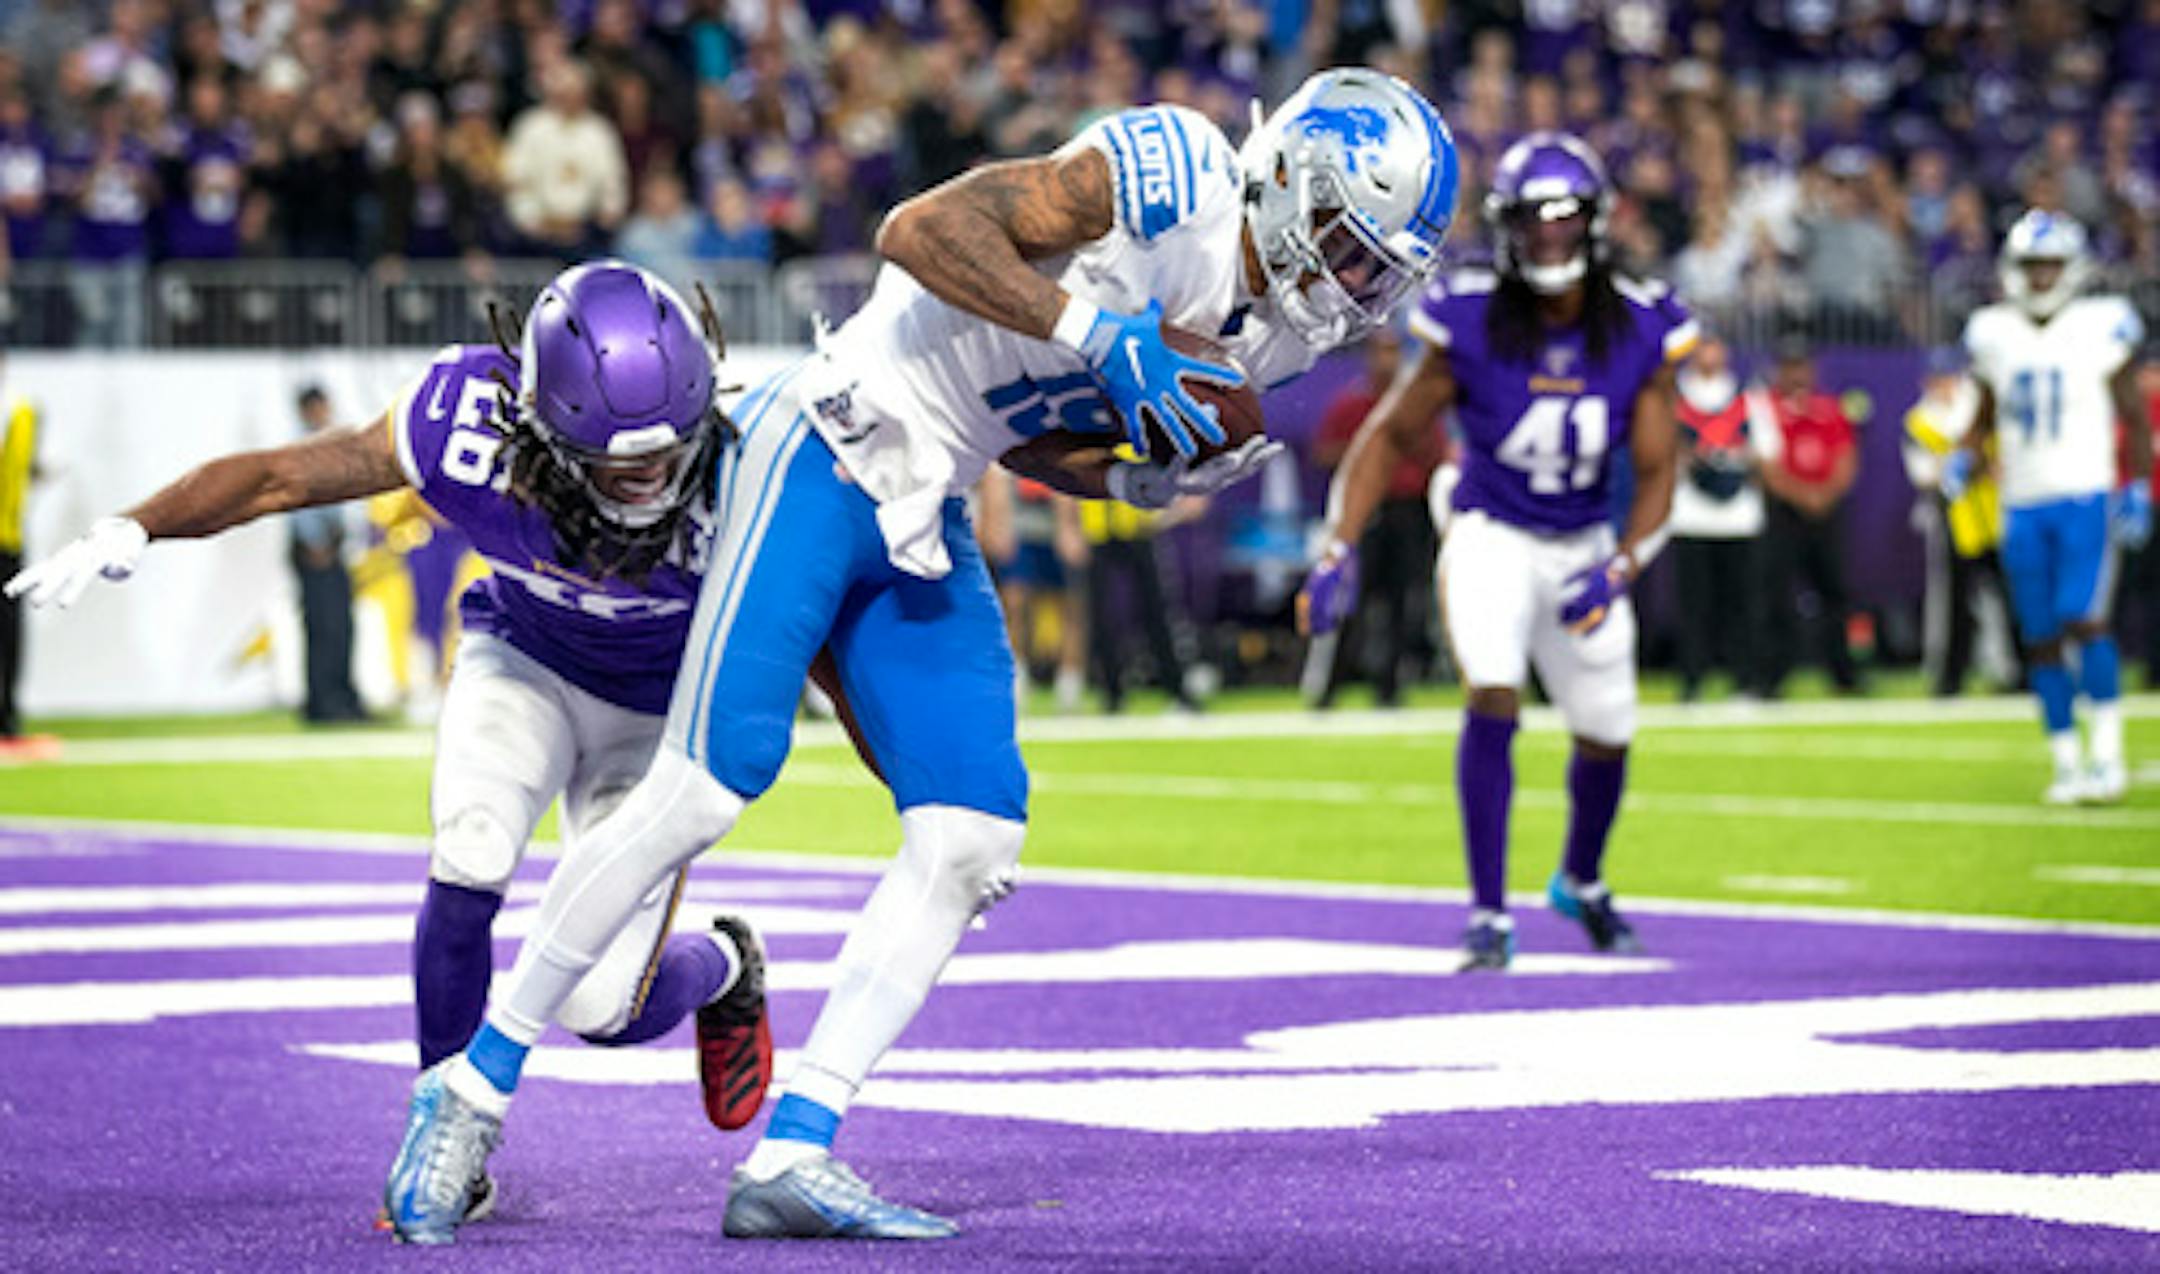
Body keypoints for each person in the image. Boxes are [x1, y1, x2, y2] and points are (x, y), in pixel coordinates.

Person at [386, 68, 1459, 1245]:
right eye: (1354, 252)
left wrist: (1140, 477)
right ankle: (470, 1092)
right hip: (834, 431)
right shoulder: (1180, 174)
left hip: (932, 491)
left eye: (1380, 270)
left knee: (971, 838)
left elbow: (1035, 434)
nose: (1359, 288)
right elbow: (921, 229)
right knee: (703, 781)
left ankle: (796, 1145)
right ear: (1295, 184)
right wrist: (1101, 332)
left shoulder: (1284, 338)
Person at [3, 260, 882, 1221]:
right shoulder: (464, 425)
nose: (649, 482)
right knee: (468, 856)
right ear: (542, 424)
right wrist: (135, 526)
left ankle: (722, 961)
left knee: (602, 1012)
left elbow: (833, 656)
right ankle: (447, 1140)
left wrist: (920, 795)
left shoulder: (752, 466)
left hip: (657, 715)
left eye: (667, 455)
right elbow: (281, 475)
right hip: (527, 664)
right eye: (617, 461)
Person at [1299, 132, 1693, 972]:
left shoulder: (1640, 322)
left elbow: (1662, 472)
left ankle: (1580, 880)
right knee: (1494, 690)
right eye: (1529, 220)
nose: (1547, 238)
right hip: (1492, 530)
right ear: (1504, 227)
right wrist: (1337, 546)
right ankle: (1487, 911)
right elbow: (1386, 435)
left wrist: (1620, 566)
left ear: (1593, 220)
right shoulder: (1470, 316)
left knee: (1607, 733)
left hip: (1584, 539)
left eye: (1561, 218)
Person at [1953, 211, 2151, 803]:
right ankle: (2067, 760)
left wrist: (2136, 483)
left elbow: (2134, 416)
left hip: (2084, 491)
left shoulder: (2100, 325)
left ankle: (2108, 756)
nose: (2041, 277)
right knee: (2038, 636)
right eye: (2032, 266)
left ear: (2072, 268)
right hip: (2023, 501)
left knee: (2083, 618)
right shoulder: (1993, 330)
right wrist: (1967, 452)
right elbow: (1986, 410)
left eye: (2051, 265)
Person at [1305, 326, 1447, 708]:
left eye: (1393, 352)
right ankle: (1330, 686)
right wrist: (1367, 455)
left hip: (1408, 511)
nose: (1387, 360)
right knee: (1353, 602)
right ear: (1368, 356)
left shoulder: (1412, 403)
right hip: (1367, 513)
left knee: (1403, 602)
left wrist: (1414, 451)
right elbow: (1323, 453)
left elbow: (1441, 455)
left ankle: (1389, 687)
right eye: (1381, 352)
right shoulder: (1351, 405)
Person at [1903, 347, 2020, 697]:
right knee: (1955, 604)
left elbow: (2005, 459)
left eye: (1950, 377)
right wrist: (1962, 468)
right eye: (1938, 378)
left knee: (2014, 599)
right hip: (1957, 518)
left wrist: (1973, 465)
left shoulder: (1982, 406)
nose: (1945, 385)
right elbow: (1925, 475)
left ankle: (2025, 671)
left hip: (1998, 514)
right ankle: (1952, 677)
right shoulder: (1919, 420)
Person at [1670, 335, 1775, 701]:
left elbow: (1768, 450)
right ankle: (1692, 679)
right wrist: (1691, 456)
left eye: (1715, 347)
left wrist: (1732, 456)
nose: (1709, 355)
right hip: (1690, 515)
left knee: (1742, 604)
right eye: (1703, 348)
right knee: (1694, 606)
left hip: (1738, 516)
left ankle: (1746, 678)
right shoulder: (1675, 397)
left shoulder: (1747, 397)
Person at [1758, 336, 1863, 696]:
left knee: (1835, 592)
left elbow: (1846, 457)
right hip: (1785, 510)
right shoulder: (1766, 408)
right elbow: (1767, 466)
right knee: (1776, 594)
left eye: (1802, 365)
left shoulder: (1830, 408)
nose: (1797, 373)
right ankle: (1773, 673)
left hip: (1827, 511)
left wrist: (1825, 494)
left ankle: (1843, 673)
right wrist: (1804, 495)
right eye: (1789, 366)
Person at [288, 385, 366, 724]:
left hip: (334, 547)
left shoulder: (330, 447)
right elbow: (296, 501)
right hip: (314, 551)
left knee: (341, 627)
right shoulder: (298, 450)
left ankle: (342, 697)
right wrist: (315, 543)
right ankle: (323, 702)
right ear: (307, 411)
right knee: (322, 627)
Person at [0, 358, 36, 744]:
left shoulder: (18, 408)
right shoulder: (22, 408)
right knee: (10, 637)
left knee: (10, 637)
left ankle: (7, 719)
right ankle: (7, 721)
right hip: (9, 536)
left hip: (7, 537)